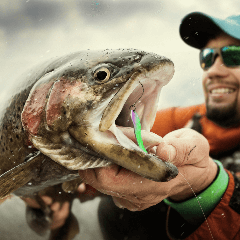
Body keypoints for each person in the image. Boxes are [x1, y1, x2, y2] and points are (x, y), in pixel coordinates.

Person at [24, 12, 240, 239]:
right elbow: (102, 135)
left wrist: (207, 186)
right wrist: (53, 187)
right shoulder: (191, 117)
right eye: (207, 57)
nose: (213, 71)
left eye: (233, 55)